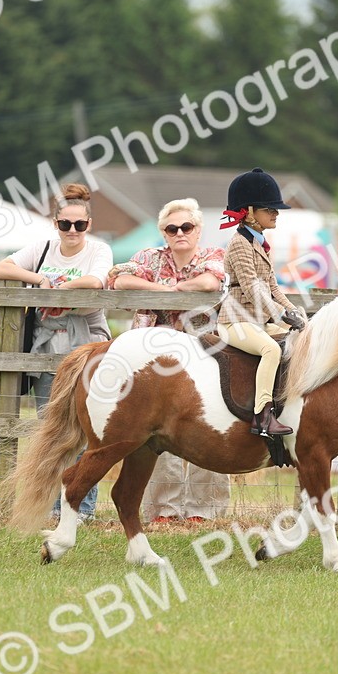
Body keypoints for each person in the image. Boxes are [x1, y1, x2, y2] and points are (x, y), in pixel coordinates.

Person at [0, 183, 112, 519]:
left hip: (86, 343)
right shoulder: (43, 248)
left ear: (89, 225)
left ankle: (80, 507)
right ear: (55, 224)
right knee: (52, 428)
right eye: (65, 225)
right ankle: (52, 508)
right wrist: (39, 279)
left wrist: (61, 289)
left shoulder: (99, 250)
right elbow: (1, 268)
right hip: (46, 346)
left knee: (88, 429)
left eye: (80, 225)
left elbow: (97, 281)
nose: (72, 231)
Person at [108, 197, 230, 523]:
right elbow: (118, 279)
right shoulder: (150, 257)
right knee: (156, 431)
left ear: (198, 230)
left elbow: (210, 281)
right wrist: (165, 289)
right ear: (163, 233)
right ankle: (163, 511)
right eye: (171, 228)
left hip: (202, 355)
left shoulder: (213, 256)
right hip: (155, 359)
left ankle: (203, 512)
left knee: (209, 427)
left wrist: (174, 288)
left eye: (186, 227)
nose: (179, 233)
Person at [215, 168, 307, 437]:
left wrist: (292, 311)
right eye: (269, 208)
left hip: (257, 321)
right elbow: (252, 288)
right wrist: (280, 315)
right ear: (250, 211)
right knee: (271, 350)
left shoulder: (261, 243)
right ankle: (262, 417)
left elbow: (272, 286)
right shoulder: (239, 244)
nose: (275, 213)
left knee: (298, 342)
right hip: (235, 321)